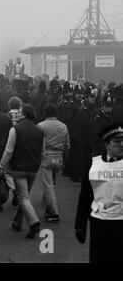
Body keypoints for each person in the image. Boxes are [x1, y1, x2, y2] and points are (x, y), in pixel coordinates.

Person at [75, 122, 123, 263]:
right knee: (99, 257)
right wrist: (80, 225)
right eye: (117, 141)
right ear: (106, 144)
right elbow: (85, 196)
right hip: (100, 222)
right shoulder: (94, 165)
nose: (122, 145)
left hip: (121, 222)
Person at [0, 105, 44, 238]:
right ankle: (17, 221)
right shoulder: (40, 131)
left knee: (23, 197)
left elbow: (9, 150)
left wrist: (2, 165)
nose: (17, 114)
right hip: (33, 168)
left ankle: (34, 222)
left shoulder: (15, 129)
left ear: (24, 115)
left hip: (19, 168)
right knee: (25, 196)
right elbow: (43, 151)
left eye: (19, 112)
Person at [37, 104, 70, 223]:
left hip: (46, 157)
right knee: (52, 184)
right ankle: (48, 209)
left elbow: (37, 144)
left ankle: (55, 212)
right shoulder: (63, 126)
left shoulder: (41, 126)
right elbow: (67, 146)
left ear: (45, 113)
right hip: (59, 157)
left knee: (48, 186)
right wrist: (64, 161)